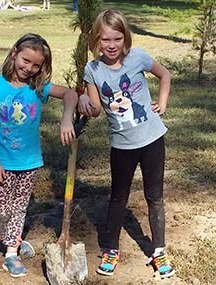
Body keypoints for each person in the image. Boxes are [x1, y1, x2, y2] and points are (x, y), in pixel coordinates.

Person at [78, 9, 175, 279]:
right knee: (118, 197)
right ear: (96, 40)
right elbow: (96, 108)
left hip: (152, 139)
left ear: (125, 38)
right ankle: (111, 249)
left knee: (154, 196)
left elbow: (164, 75)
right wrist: (86, 104)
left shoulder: (138, 58)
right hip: (122, 146)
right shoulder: (92, 70)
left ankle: (158, 251)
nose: (111, 45)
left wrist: (162, 103)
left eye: (117, 39)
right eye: (105, 39)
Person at [0, 33, 78, 278]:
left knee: (20, 207)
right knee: (2, 212)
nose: (29, 68)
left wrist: (66, 119)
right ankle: (8, 234)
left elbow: (70, 94)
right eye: (25, 61)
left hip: (29, 162)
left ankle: (11, 253)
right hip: (2, 162)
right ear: (14, 53)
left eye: (37, 65)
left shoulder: (37, 87)